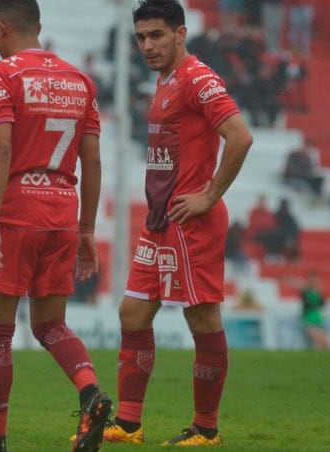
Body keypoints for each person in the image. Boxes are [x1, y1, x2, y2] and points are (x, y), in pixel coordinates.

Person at [0, 1, 110, 451]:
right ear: (38, 27)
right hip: (64, 211)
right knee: (50, 325)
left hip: (18, 211)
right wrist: (87, 230)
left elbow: (1, 148)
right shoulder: (80, 81)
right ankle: (89, 392)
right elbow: (93, 158)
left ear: (1, 28)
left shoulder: (1, 74)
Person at [103, 0, 253, 447]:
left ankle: (206, 429)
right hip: (160, 220)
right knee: (132, 312)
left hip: (192, 222)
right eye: (141, 37)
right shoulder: (165, 81)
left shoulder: (198, 79)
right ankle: (129, 424)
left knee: (203, 319)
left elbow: (240, 137)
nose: (148, 45)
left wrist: (209, 194)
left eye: (157, 35)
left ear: (181, 33)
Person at [300, 271, 329, 350]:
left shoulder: (319, 292)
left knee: (325, 343)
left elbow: (323, 304)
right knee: (317, 342)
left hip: (319, 320)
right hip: (309, 320)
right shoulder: (306, 292)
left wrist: (320, 294)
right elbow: (308, 304)